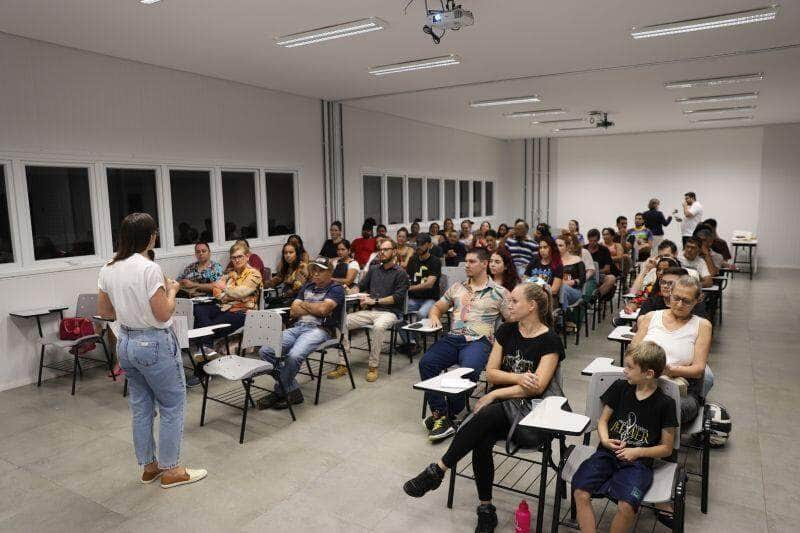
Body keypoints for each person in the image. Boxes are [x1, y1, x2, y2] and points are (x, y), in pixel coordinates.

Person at [403, 283, 562, 533]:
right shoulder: (507, 331)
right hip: (502, 410)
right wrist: (519, 378)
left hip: (532, 415)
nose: (508, 306)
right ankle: (485, 509)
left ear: (532, 306)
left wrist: (496, 392)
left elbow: (537, 387)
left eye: (514, 302)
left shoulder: (550, 340)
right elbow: (491, 372)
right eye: (508, 301)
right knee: (481, 437)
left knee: (486, 412)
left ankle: (438, 470)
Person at [97, 213, 207, 489]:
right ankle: (172, 470)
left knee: (141, 407)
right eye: (155, 233)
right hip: (154, 343)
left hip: (126, 343)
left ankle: (149, 466)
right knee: (172, 405)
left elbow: (105, 312)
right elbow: (162, 314)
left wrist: (129, 309)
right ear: (150, 237)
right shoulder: (148, 268)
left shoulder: (108, 268)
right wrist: (172, 290)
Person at [572, 342, 678, 533]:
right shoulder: (620, 388)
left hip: (638, 463)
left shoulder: (665, 404)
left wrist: (637, 451)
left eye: (630, 367)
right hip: (606, 454)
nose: (624, 370)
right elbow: (603, 421)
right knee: (580, 491)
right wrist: (604, 440)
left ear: (648, 373)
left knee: (627, 507)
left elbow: (667, 448)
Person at [417, 247, 509, 441]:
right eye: (466, 261)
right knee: (426, 363)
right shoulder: (457, 287)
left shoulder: (499, 292)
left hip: (479, 341)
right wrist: (434, 316)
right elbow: (438, 306)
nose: (466, 265)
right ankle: (441, 414)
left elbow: (512, 320)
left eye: (472, 261)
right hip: (453, 338)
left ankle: (448, 415)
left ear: (484, 264)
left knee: (468, 371)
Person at [257, 257, 345, 410]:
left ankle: (280, 391)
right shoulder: (308, 286)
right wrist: (314, 307)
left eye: (321, 271)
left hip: (321, 329)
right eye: (314, 270)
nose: (316, 274)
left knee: (294, 355)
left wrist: (305, 305)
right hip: (298, 326)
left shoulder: (336, 289)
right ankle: (291, 389)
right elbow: (294, 310)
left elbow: (324, 310)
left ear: (330, 272)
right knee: (265, 351)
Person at [632, 275, 712, 422]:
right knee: (616, 395)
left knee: (667, 406)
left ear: (697, 300)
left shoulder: (702, 325)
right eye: (676, 298)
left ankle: (650, 441)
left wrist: (669, 370)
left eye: (686, 301)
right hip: (643, 381)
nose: (680, 304)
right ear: (669, 295)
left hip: (681, 389)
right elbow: (631, 354)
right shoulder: (650, 317)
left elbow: (698, 369)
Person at [328, 239, 409, 383]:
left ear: (394, 252)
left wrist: (375, 301)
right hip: (370, 310)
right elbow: (360, 287)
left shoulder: (400, 273)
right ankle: (342, 363)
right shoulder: (374, 269)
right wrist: (349, 290)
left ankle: (373, 366)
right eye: (380, 250)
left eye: (386, 249)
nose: (382, 253)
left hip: (390, 312)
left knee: (378, 327)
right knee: (342, 321)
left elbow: (397, 298)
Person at [195, 241, 263, 343]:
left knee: (209, 326)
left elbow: (242, 292)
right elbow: (216, 291)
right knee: (199, 308)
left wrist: (225, 289)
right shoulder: (230, 273)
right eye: (233, 258)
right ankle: (207, 345)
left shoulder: (254, 274)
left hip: (243, 312)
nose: (237, 260)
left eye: (240, 256)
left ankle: (205, 345)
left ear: (247, 256)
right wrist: (227, 294)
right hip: (226, 307)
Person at [398, 234, 442, 356]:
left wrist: (410, 287)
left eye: (422, 244)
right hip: (414, 298)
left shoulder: (435, 261)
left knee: (422, 314)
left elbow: (429, 284)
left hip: (430, 298)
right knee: (397, 313)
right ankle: (411, 342)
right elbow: (408, 278)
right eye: (417, 244)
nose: (419, 247)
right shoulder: (413, 260)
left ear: (429, 245)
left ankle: (416, 342)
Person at [637, 267, 707, 318]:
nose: (665, 286)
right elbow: (639, 327)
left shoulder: (694, 305)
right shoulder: (650, 302)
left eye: (671, 283)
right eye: (663, 282)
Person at [556, 234, 586, 326]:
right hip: (556, 290)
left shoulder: (577, 260)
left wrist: (572, 282)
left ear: (568, 246)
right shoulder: (554, 261)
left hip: (575, 291)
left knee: (563, 288)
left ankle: (561, 322)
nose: (557, 248)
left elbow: (583, 278)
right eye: (556, 246)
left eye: (560, 245)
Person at [586, 229, 617, 298]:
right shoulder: (583, 249)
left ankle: (595, 297)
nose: (592, 243)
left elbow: (607, 269)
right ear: (588, 239)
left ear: (598, 240)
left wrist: (595, 271)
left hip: (599, 274)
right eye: (590, 241)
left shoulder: (604, 250)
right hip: (585, 274)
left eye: (595, 241)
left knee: (611, 278)